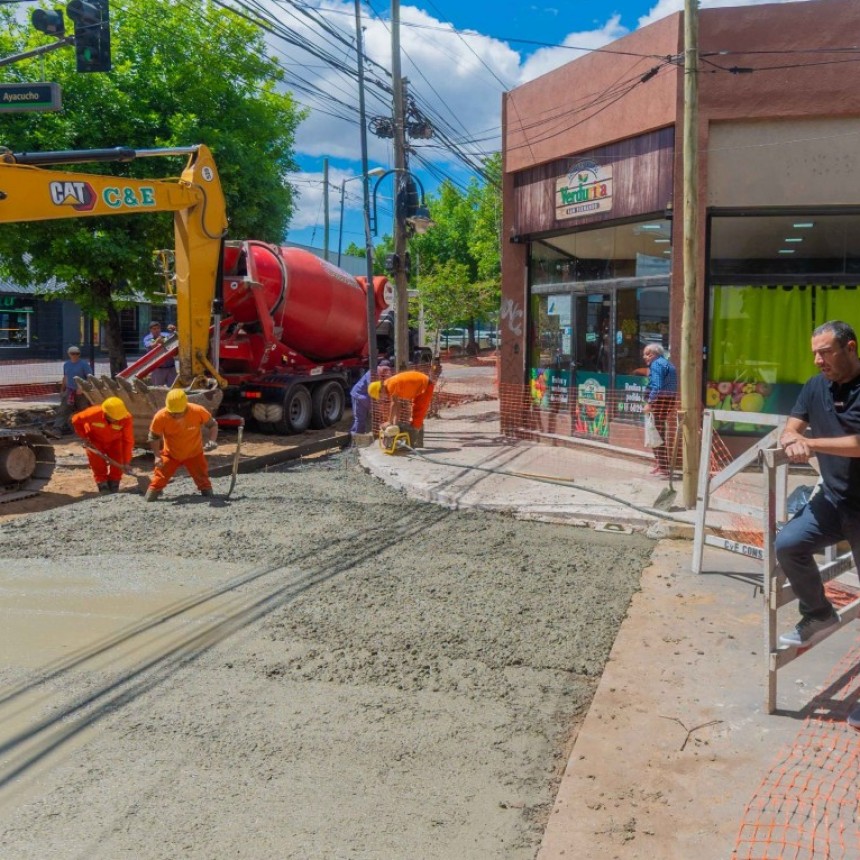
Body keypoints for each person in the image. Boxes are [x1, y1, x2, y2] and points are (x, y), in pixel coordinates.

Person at [776, 320, 860, 655]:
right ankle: (819, 614)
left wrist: (810, 444)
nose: (818, 360)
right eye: (815, 354)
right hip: (832, 499)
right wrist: (790, 440)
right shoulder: (814, 387)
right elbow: (791, 428)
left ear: (850, 348)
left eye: (825, 352)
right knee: (788, 544)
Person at [145, 389, 218, 501]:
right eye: (172, 412)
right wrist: (156, 456)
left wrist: (212, 440)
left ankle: (208, 494)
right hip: (171, 454)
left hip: (194, 453)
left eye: (178, 412)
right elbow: (153, 437)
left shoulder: (198, 411)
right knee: (158, 480)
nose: (175, 415)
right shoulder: (161, 416)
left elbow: (213, 425)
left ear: (185, 406)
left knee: (203, 479)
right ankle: (151, 496)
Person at [71, 396, 134, 494]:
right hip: (94, 440)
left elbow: (128, 441)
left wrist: (126, 462)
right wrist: (84, 437)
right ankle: (102, 485)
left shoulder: (126, 418)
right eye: (114, 418)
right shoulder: (93, 413)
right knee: (97, 464)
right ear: (106, 413)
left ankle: (114, 484)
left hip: (115, 441)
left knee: (118, 460)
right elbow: (75, 420)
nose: (117, 420)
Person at [368, 365, 441, 448]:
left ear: (380, 389)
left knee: (417, 417)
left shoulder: (390, 384)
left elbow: (394, 404)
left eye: (380, 396)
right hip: (421, 387)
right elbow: (397, 406)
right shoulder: (389, 384)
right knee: (416, 414)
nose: (382, 397)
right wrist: (394, 424)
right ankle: (418, 443)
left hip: (425, 386)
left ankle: (413, 445)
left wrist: (389, 422)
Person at [642, 343, 678, 476]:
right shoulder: (667, 363)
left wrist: (650, 403)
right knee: (659, 430)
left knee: (655, 432)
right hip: (668, 400)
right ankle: (662, 464)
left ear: (654, 354)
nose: (644, 357)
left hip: (660, 401)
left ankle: (663, 466)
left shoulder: (657, 364)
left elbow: (656, 386)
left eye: (647, 354)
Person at [51, 346, 93, 436]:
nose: (75, 355)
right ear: (69, 354)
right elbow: (66, 377)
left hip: (81, 392)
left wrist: (82, 388)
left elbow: (90, 378)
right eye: (73, 353)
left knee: (84, 410)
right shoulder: (67, 365)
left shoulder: (84, 365)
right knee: (63, 409)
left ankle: (88, 429)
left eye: (77, 354)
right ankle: (57, 429)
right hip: (69, 391)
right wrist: (62, 389)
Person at [349, 362, 391, 435]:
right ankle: (355, 437)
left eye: (386, 370)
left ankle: (362, 435)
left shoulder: (383, 374)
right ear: (379, 367)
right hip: (358, 395)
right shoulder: (372, 373)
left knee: (376, 415)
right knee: (360, 419)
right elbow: (372, 388)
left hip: (367, 398)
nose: (385, 372)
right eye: (384, 370)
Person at [143, 321, 178, 387]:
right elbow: (151, 345)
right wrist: (157, 341)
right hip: (157, 369)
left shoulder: (165, 335)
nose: (157, 330)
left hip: (171, 367)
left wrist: (174, 330)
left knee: (173, 388)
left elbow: (175, 338)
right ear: (150, 330)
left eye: (158, 328)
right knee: (157, 389)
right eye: (154, 329)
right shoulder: (148, 338)